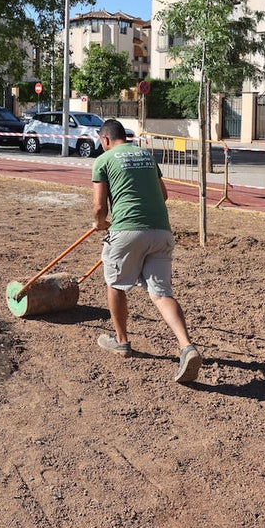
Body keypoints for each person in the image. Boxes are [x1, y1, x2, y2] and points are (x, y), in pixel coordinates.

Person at [90, 119, 202, 384]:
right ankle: (187, 347)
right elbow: (163, 195)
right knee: (161, 294)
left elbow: (98, 208)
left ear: (105, 140)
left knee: (115, 284)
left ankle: (121, 342)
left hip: (127, 231)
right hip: (161, 232)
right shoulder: (146, 155)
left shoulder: (103, 161)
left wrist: (99, 224)